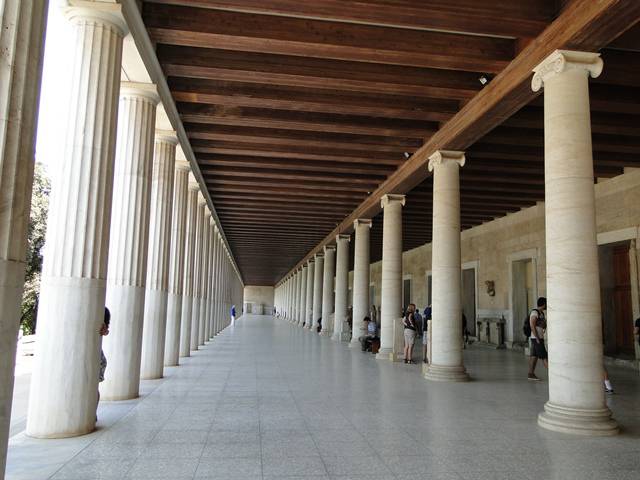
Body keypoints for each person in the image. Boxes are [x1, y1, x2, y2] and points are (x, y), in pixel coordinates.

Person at [528, 297, 548, 381]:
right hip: (536, 338)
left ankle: (531, 374)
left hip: (539, 338)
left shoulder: (541, 313)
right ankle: (554, 375)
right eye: (546, 303)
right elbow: (532, 325)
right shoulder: (534, 312)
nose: (547, 305)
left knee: (534, 356)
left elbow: (542, 325)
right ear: (543, 304)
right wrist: (537, 338)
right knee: (544, 356)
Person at [97, 307, 110, 421]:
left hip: (97, 358)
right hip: (97, 358)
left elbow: (106, 330)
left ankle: (91, 413)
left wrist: (104, 329)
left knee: (93, 388)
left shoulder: (103, 311)